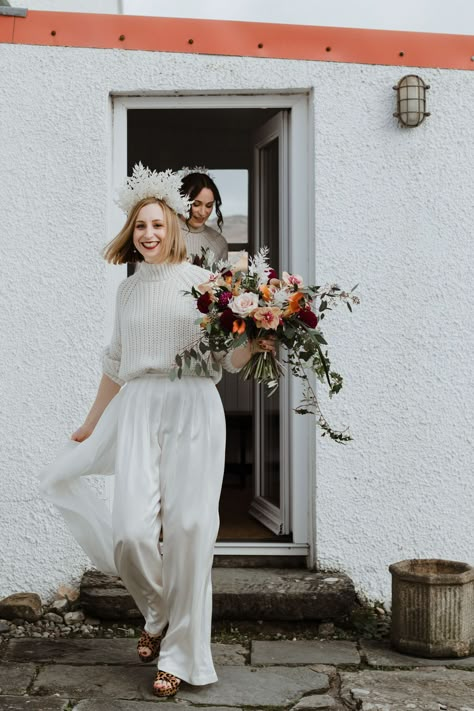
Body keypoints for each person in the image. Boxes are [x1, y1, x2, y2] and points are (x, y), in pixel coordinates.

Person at [39, 165, 274, 698]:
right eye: (139, 226)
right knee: (131, 533)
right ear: (132, 232)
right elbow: (116, 364)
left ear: (172, 226)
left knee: (191, 530)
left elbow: (227, 358)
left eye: (156, 225)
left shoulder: (202, 284)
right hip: (140, 406)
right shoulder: (126, 294)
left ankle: (181, 655)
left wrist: (256, 342)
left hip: (194, 404)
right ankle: (159, 609)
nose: (148, 234)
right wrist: (91, 422)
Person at [179, 169, 228, 264]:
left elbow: (223, 278)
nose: (202, 212)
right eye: (196, 204)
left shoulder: (219, 242)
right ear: (181, 200)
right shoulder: (161, 234)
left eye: (209, 205)